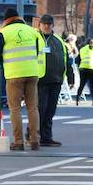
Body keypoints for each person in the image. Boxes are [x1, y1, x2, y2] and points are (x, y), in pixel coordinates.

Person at [0, 7, 41, 151]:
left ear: (5, 20)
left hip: (14, 74)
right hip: (32, 72)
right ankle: (34, 140)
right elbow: (37, 50)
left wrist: (3, 62)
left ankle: (18, 141)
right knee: (32, 107)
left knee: (15, 109)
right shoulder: (32, 31)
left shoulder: (4, 33)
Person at [35, 14, 68, 147]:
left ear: (53, 25)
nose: (47, 26)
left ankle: (46, 136)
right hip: (40, 79)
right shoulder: (35, 39)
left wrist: (69, 76)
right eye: (44, 24)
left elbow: (66, 58)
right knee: (40, 109)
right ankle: (33, 134)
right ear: (40, 25)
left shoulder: (58, 40)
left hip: (56, 80)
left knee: (50, 110)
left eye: (49, 24)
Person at [76, 38, 93, 106]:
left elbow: (77, 60)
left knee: (81, 84)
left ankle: (77, 100)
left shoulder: (82, 49)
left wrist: (80, 66)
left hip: (83, 68)